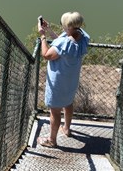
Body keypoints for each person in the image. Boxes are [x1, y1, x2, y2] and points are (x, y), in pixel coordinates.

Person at [37, 12, 90, 148]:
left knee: (55, 111)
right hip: (71, 80)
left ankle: (52, 140)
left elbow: (47, 55)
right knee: (68, 103)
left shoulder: (64, 43)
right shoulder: (83, 37)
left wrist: (43, 36)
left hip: (58, 82)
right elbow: (61, 43)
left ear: (67, 26)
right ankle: (66, 128)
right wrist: (49, 31)